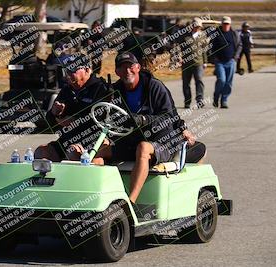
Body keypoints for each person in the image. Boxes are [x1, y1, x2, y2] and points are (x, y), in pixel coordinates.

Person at [95, 52, 203, 205]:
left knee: (143, 148)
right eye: (122, 68)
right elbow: (107, 118)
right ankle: (98, 200)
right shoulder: (114, 91)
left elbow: (169, 117)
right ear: (117, 72)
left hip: (161, 141)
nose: (127, 71)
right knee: (99, 153)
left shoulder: (154, 86)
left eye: (131, 66)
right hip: (130, 140)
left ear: (138, 67)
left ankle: (129, 203)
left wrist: (144, 120)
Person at [34, 53, 110, 161]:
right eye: (66, 70)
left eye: (72, 70)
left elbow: (101, 120)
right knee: (41, 152)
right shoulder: (67, 90)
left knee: (72, 152)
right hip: (67, 139)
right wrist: (54, 113)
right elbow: (50, 125)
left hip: (92, 141)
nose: (68, 74)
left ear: (87, 70)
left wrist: (75, 121)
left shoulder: (101, 88)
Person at [211, 16, 242, 109]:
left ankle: (224, 100)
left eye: (227, 24)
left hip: (231, 61)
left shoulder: (234, 34)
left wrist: (235, 57)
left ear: (230, 24)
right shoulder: (216, 34)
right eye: (224, 23)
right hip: (219, 62)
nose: (226, 25)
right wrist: (213, 58)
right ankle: (216, 96)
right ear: (222, 24)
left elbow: (240, 45)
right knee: (221, 80)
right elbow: (210, 47)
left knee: (228, 82)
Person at [179, 17, 209, 108]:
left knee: (199, 81)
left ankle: (199, 100)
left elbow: (204, 50)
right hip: (186, 64)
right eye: (195, 26)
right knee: (186, 83)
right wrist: (179, 57)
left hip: (198, 63)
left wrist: (205, 61)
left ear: (200, 27)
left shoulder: (203, 36)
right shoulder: (185, 36)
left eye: (198, 26)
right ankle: (187, 101)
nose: (196, 28)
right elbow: (178, 47)